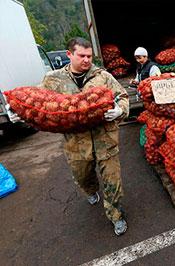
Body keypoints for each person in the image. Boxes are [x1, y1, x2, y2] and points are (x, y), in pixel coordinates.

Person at [7, 37, 130, 235]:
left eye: (89, 56)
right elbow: (38, 105)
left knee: (112, 181)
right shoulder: (53, 79)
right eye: (81, 55)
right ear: (69, 54)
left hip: (105, 139)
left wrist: (120, 110)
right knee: (83, 178)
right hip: (76, 144)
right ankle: (90, 190)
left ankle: (116, 215)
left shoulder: (103, 77)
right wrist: (18, 112)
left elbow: (123, 97)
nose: (86, 60)